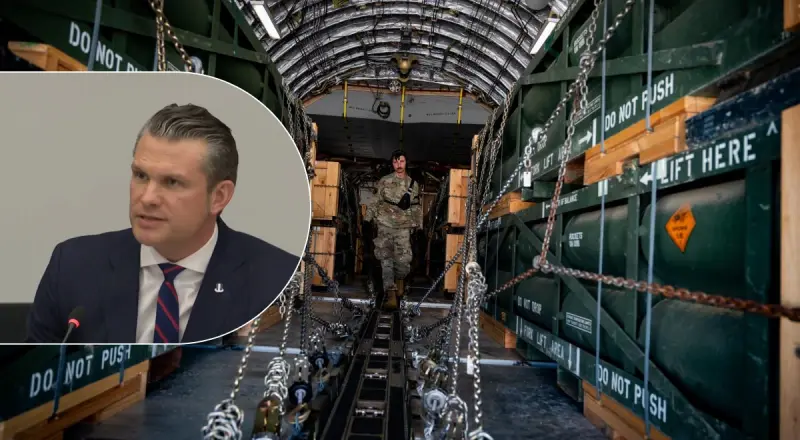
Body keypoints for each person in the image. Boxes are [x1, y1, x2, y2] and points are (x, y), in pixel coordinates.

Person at [25, 103, 300, 344]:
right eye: (141, 176)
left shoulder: (275, 279)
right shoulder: (73, 266)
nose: (147, 198)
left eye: (172, 182)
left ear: (219, 197)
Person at [367, 150, 421, 311]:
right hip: (385, 224)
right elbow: (375, 201)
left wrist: (419, 227)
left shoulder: (413, 184)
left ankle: (399, 280)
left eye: (401, 161)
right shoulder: (384, 181)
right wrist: (367, 220)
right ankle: (390, 293)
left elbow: (416, 207)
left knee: (403, 262)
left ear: (406, 163)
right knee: (386, 258)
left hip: (403, 227)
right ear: (392, 163)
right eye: (396, 162)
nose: (399, 165)